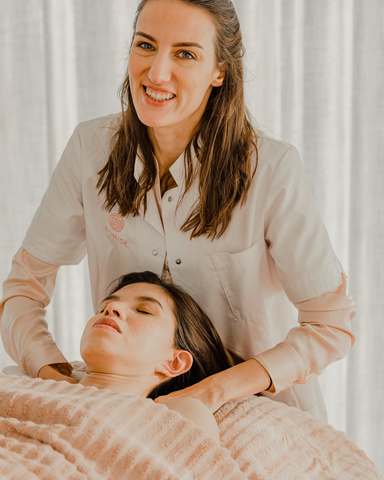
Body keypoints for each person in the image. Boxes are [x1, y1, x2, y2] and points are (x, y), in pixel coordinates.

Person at [0, 0, 357, 423]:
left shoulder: (271, 170)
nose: (156, 74)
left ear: (219, 71)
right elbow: (22, 289)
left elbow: (332, 325)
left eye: (185, 53)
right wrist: (57, 381)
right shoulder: (90, 149)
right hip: (118, 408)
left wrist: (212, 392)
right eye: (145, 45)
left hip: (257, 413)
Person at [77, 270, 261, 444]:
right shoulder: (49, 386)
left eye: (143, 310)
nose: (111, 307)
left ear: (174, 363)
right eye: (101, 309)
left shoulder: (180, 415)